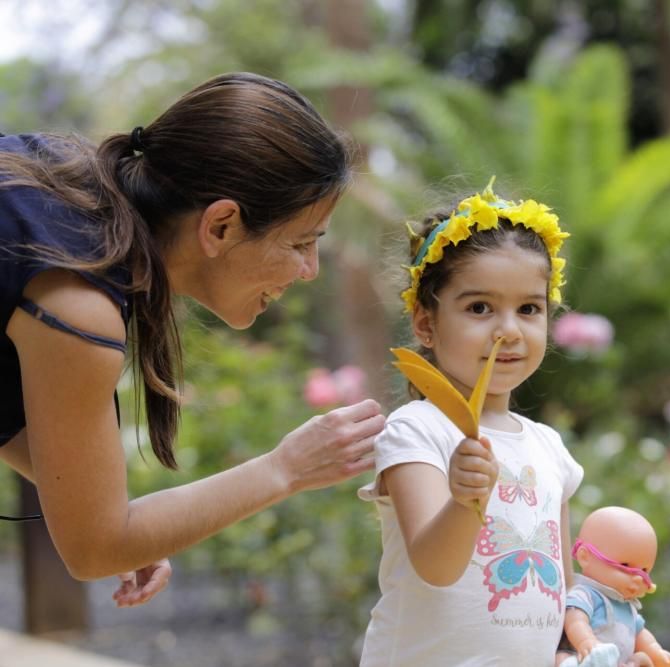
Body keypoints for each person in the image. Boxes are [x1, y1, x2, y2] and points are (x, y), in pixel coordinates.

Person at [0, 72, 385, 607]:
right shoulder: (77, 298)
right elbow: (93, 549)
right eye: (301, 242)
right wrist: (285, 469)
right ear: (222, 225)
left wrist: (119, 517)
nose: (310, 270)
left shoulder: (61, 184)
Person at [357, 180, 583, 666]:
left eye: (529, 309)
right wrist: (465, 502)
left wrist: (583, 652)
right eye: (480, 308)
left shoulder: (549, 448)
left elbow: (559, 591)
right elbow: (435, 566)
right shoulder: (417, 430)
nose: (508, 330)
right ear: (425, 324)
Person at [556, 507, 670, 667]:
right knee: (563, 659)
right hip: (587, 657)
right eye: (625, 565)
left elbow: (641, 634)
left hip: (616, 662)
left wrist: (657, 652)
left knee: (642, 659)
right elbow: (575, 620)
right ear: (584, 557)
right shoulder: (586, 594)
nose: (637, 578)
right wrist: (586, 641)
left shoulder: (628, 607)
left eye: (644, 571)